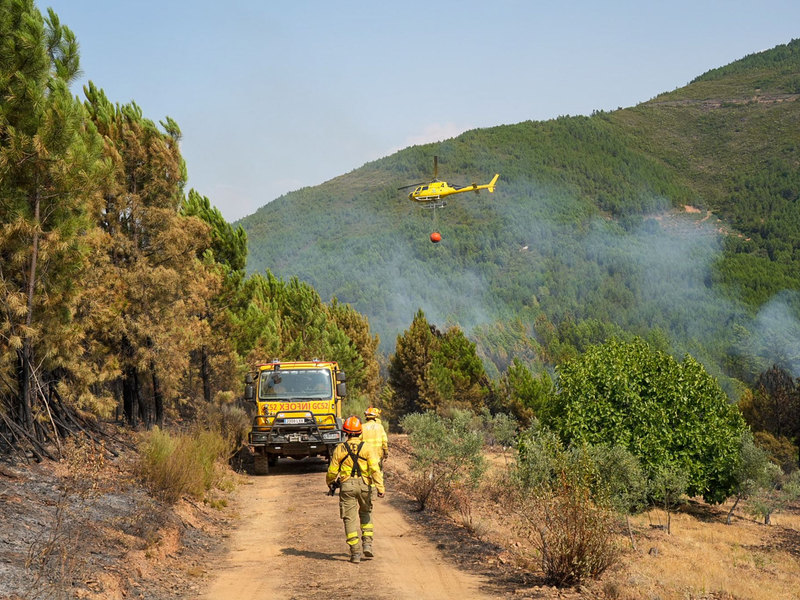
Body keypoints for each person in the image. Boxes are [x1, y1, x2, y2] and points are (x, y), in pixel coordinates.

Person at [326, 416, 385, 564]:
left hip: (347, 486)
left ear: (346, 433)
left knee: (349, 519)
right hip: (365, 485)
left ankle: (355, 553)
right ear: (360, 433)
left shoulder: (340, 448)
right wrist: (380, 487)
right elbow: (375, 469)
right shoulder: (367, 448)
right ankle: (367, 544)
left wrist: (330, 482)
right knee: (366, 513)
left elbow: (332, 471)